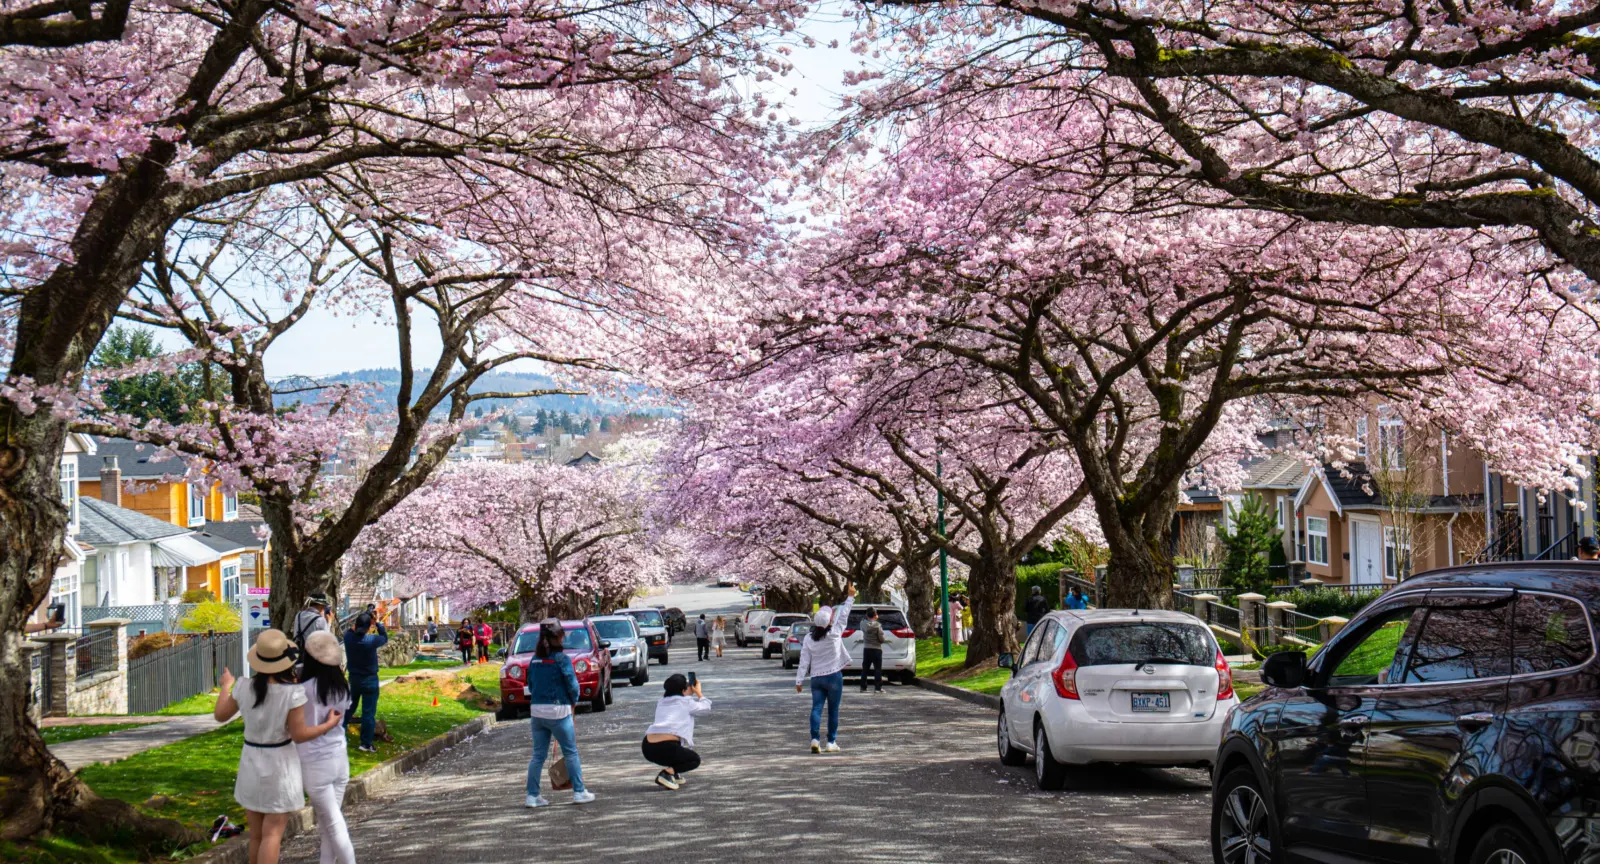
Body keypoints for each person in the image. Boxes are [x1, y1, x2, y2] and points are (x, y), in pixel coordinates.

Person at [214, 629, 342, 864]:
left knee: (256, 836)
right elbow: (300, 734)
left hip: (251, 760)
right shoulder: (292, 693)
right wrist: (329, 724)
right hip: (280, 764)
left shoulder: (243, 687)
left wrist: (226, 685)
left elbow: (220, 715)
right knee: (272, 834)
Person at [524, 619, 595, 807]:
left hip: (537, 711)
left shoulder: (535, 659)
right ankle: (579, 792)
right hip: (559, 710)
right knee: (571, 752)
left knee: (538, 755)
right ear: (559, 637)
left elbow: (530, 684)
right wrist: (574, 700)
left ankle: (532, 796)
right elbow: (572, 684)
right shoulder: (562, 659)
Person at [298, 631, 354, 864]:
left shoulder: (305, 689)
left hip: (314, 761)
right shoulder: (342, 686)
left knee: (332, 823)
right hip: (339, 757)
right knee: (328, 825)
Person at [795, 583, 856, 753]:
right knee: (833, 710)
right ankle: (831, 742)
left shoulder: (808, 638)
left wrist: (799, 680)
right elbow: (844, 615)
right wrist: (850, 597)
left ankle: (815, 739)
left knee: (816, 708)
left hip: (816, 678)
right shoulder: (834, 633)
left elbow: (804, 660)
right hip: (834, 677)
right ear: (829, 621)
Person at [642, 673, 711, 790]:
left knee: (677, 749)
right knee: (694, 760)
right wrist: (698, 692)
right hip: (665, 747)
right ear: (684, 690)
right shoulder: (687, 702)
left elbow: (678, 700)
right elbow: (706, 707)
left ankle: (674, 773)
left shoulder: (661, 702)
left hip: (647, 747)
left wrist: (686, 692)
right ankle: (667, 773)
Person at [343, 612, 387, 753]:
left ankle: (338, 736)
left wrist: (362, 623)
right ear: (369, 627)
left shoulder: (348, 638)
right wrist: (377, 622)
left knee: (349, 709)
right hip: (370, 679)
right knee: (368, 713)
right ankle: (366, 743)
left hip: (354, 679)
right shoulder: (371, 640)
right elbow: (384, 637)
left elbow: (350, 630)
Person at [860, 607, 885, 693]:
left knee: (865, 668)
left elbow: (863, 622)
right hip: (877, 648)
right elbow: (881, 638)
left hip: (867, 648)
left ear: (867, 615)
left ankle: (863, 687)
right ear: (875, 615)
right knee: (877, 669)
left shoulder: (863, 624)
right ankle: (878, 688)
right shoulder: (878, 626)